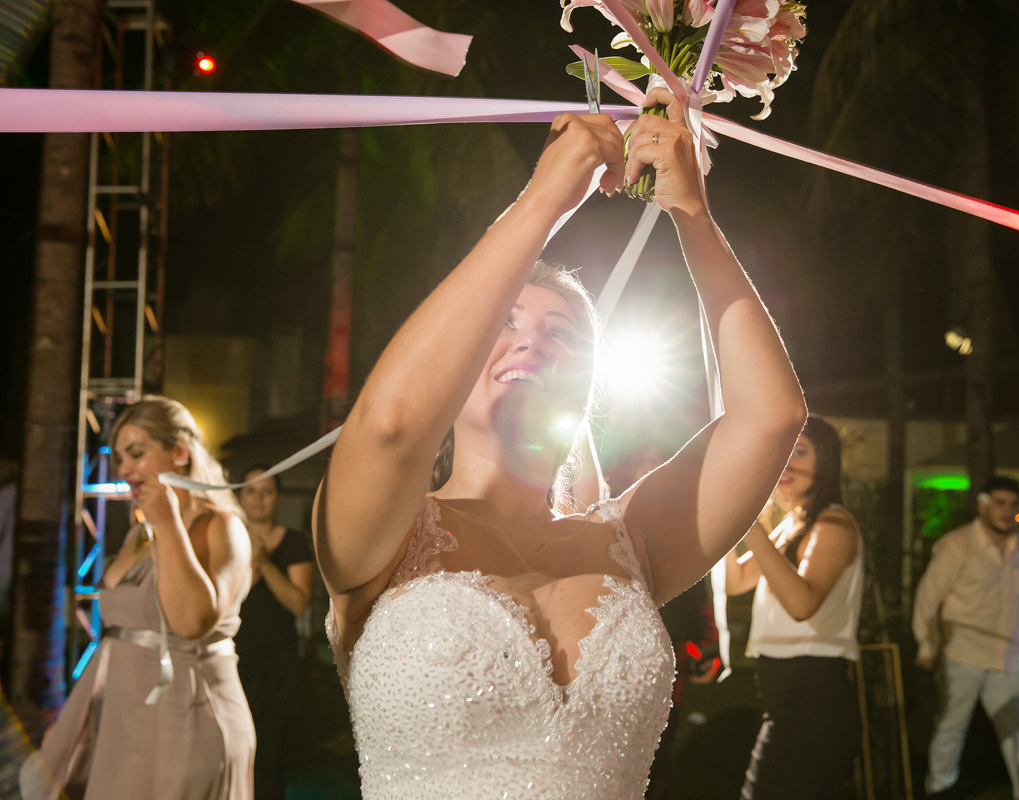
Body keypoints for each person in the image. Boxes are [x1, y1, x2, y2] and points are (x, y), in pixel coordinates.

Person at [312, 88, 807, 800]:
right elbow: (391, 423)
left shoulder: (632, 539)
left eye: (563, 335)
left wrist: (693, 216)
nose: (533, 343)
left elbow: (772, 417)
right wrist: (545, 201)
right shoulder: (387, 537)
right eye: (504, 324)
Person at [21, 395, 255, 800]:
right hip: (121, 717)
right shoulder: (137, 533)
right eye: (121, 458)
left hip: (186, 713)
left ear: (179, 453)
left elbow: (191, 622)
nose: (124, 469)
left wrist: (167, 522)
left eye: (137, 454)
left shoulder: (221, 527)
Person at [722, 416, 864, 800]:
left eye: (798, 451)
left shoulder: (834, 524)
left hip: (814, 690)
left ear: (827, 460)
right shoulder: (789, 525)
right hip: (780, 691)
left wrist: (749, 523)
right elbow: (736, 582)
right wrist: (722, 522)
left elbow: (802, 604)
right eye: (781, 452)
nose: (785, 464)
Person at [912, 475, 1019, 800]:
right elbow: (928, 597)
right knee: (950, 729)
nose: (1007, 511)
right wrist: (927, 645)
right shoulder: (957, 544)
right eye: (1000, 503)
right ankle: (939, 792)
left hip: (1010, 658)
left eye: (1014, 505)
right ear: (983, 505)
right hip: (963, 654)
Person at [234, 466, 313, 800]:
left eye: (267, 491)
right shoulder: (226, 538)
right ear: (240, 495)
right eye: (251, 490)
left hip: (274, 667)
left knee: (267, 759)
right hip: (230, 663)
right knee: (231, 756)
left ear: (277, 498)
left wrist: (265, 563)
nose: (259, 499)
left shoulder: (293, 542)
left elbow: (298, 603)